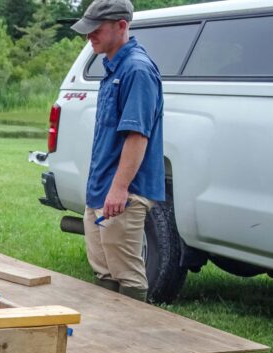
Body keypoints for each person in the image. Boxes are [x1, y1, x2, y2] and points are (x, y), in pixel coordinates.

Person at [72, 0, 165, 302]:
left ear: (121, 26)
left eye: (96, 30)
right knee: (104, 270)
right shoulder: (113, 67)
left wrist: (119, 188)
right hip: (101, 189)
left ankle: (135, 343)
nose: (90, 37)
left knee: (126, 271)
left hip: (123, 192)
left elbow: (137, 136)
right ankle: (108, 339)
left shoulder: (137, 70)